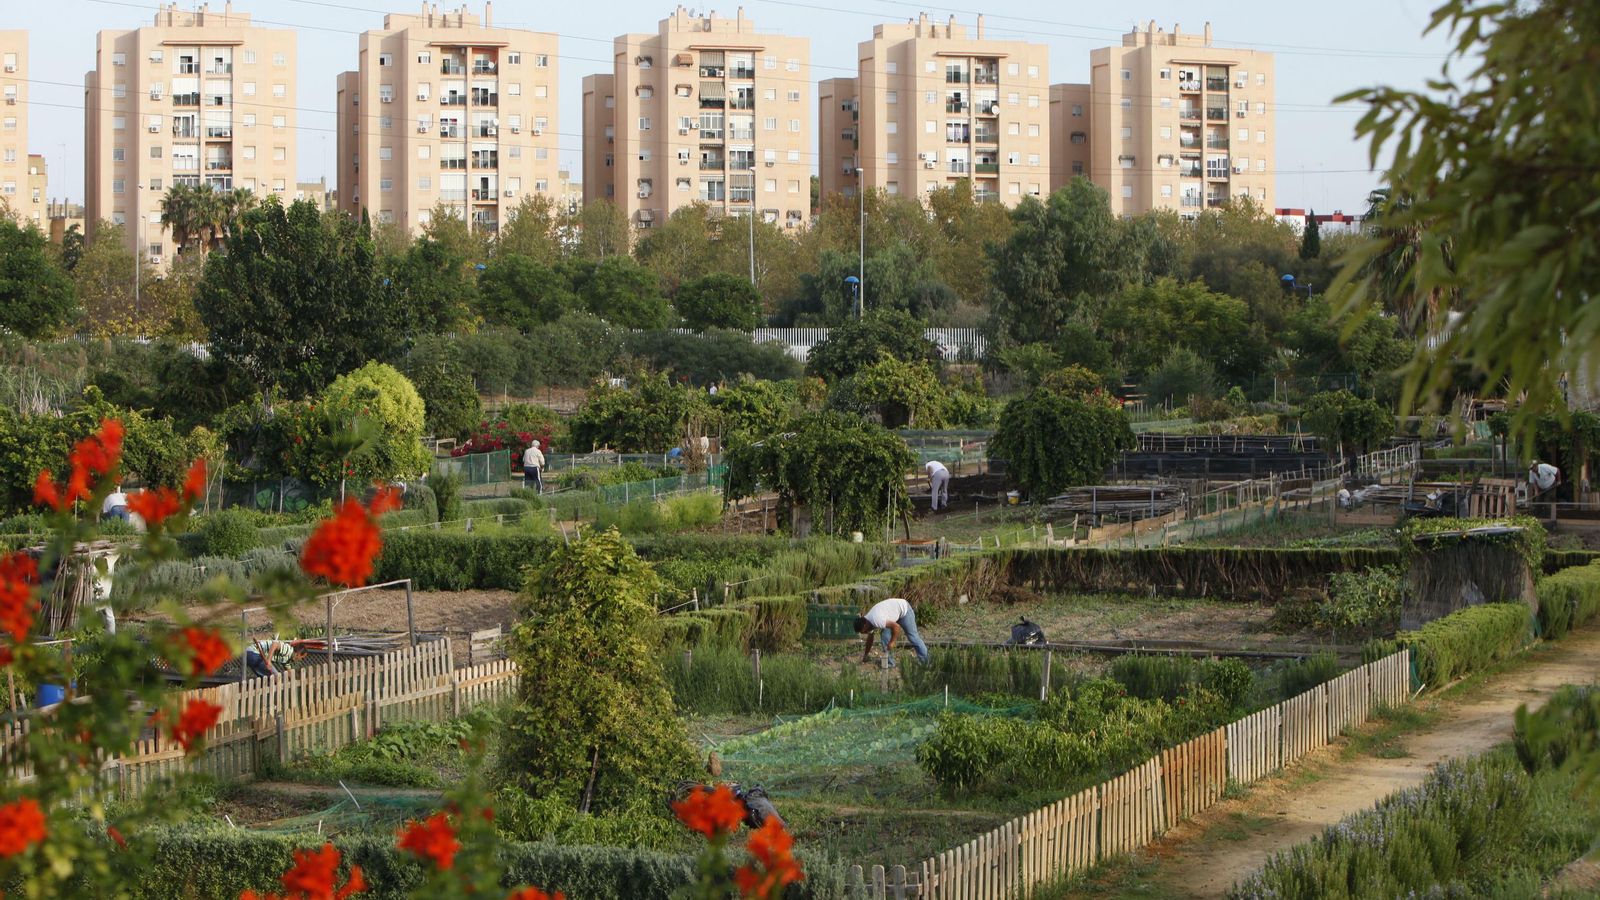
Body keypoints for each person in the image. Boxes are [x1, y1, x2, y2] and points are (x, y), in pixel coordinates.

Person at [854, 597, 929, 666]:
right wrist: (866, 655)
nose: (864, 633)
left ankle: (926, 662)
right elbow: (870, 640)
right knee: (885, 637)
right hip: (892, 616)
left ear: (865, 626)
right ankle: (890, 663)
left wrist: (892, 642)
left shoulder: (876, 619)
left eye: (863, 632)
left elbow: (896, 627)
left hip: (904, 610)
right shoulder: (867, 621)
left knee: (913, 638)